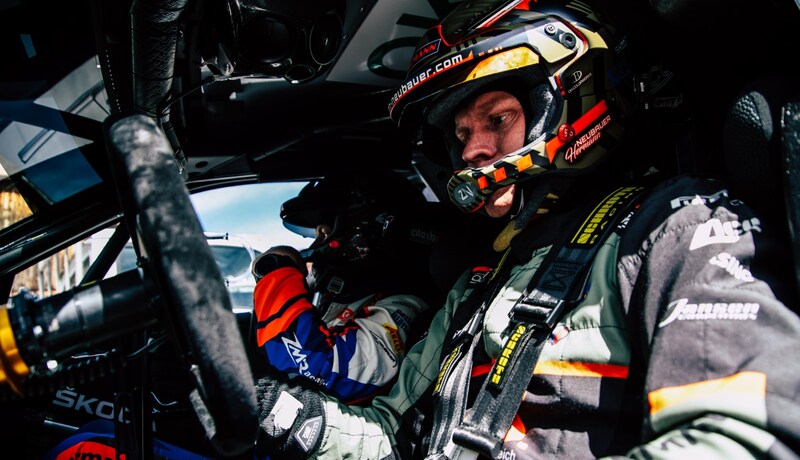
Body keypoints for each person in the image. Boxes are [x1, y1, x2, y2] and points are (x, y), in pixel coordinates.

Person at [250, 2, 800, 459]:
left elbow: (743, 437)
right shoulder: (482, 278)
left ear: (563, 104)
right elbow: (392, 432)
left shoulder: (679, 225)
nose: (471, 152)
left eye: (497, 119)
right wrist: (276, 413)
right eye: (462, 134)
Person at [250, 170, 456, 405]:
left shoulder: (405, 305)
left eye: (325, 229)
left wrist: (276, 269)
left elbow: (315, 370)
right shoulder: (348, 290)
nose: (318, 243)